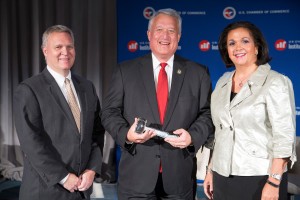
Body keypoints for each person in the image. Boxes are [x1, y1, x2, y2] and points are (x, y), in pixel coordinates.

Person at [101, 8, 214, 200]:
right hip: (136, 178)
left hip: (179, 177)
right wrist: (126, 134)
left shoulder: (198, 73)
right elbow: (109, 112)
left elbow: (208, 113)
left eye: (171, 31)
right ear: (149, 34)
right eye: (159, 29)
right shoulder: (125, 71)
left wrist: (192, 136)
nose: (165, 36)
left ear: (178, 36)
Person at [203, 21, 297, 200]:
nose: (238, 47)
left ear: (257, 47)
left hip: (261, 177)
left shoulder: (276, 82)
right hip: (222, 176)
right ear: (227, 50)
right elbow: (220, 133)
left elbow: (284, 138)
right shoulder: (222, 82)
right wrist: (211, 170)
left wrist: (274, 182)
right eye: (232, 43)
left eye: (245, 41)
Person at [13, 25, 105, 200]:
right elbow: (31, 144)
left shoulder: (87, 87)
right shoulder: (29, 90)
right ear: (45, 51)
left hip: (81, 190)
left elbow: (96, 134)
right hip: (46, 191)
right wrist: (63, 177)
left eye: (70, 46)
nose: (65, 52)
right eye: (58, 47)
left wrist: (92, 169)